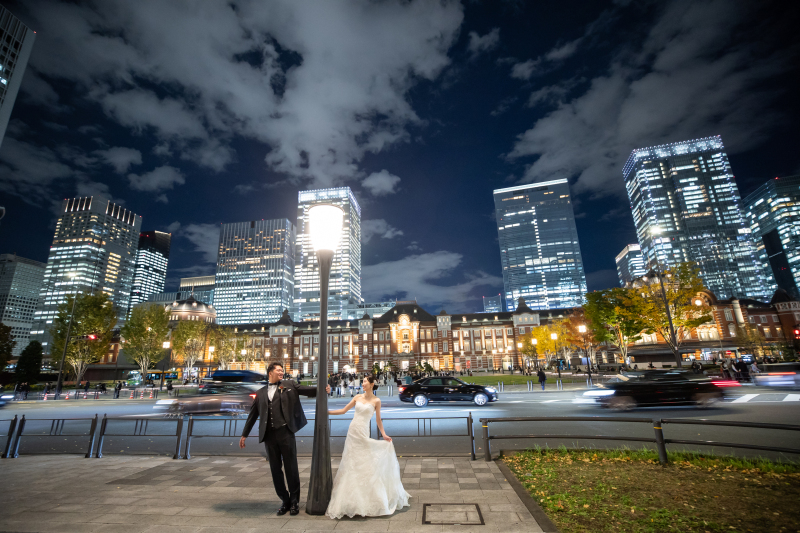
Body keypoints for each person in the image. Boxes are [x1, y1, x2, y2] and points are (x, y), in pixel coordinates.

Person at [239, 362, 330, 517]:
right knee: (275, 470)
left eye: (282, 370)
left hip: (286, 433)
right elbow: (253, 415)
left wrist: (323, 389)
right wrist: (244, 435)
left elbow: (307, 390)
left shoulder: (289, 385)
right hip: (269, 436)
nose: (281, 372)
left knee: (291, 468)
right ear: (270, 373)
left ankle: (294, 502)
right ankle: (285, 501)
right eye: (278, 370)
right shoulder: (260, 393)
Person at [326, 375, 410, 519]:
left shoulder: (377, 401)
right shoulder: (357, 397)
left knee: (365, 460)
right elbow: (344, 410)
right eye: (363, 382)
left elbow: (378, 419)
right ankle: (351, 500)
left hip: (363, 432)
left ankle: (367, 496)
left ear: (371, 384)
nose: (362, 384)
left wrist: (384, 434)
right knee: (351, 462)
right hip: (353, 431)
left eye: (365, 382)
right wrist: (327, 412)